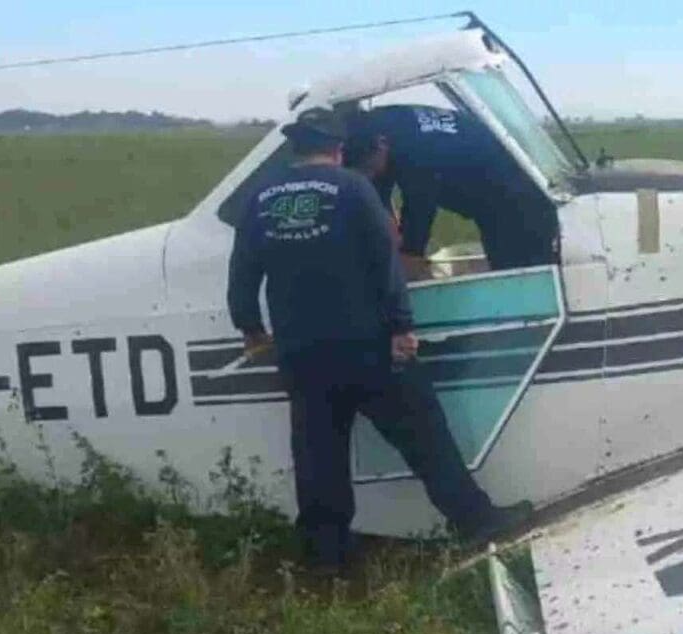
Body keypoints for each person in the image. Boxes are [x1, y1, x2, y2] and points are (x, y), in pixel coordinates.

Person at [227, 107, 530, 570]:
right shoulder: (353, 189)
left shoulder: (261, 198)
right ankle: (477, 521)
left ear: (296, 146)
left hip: (301, 352)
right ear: (338, 147)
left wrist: (250, 327)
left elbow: (243, 272)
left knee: (318, 455)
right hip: (367, 347)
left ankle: (325, 556)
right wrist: (402, 326)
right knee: (427, 439)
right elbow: (386, 264)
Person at [342, 104, 557, 278]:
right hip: (490, 202)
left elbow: (419, 208)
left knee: (520, 273)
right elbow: (379, 192)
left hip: (515, 198)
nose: (369, 177)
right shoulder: (376, 129)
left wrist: (409, 255)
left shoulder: (413, 147)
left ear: (381, 145)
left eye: (369, 169)